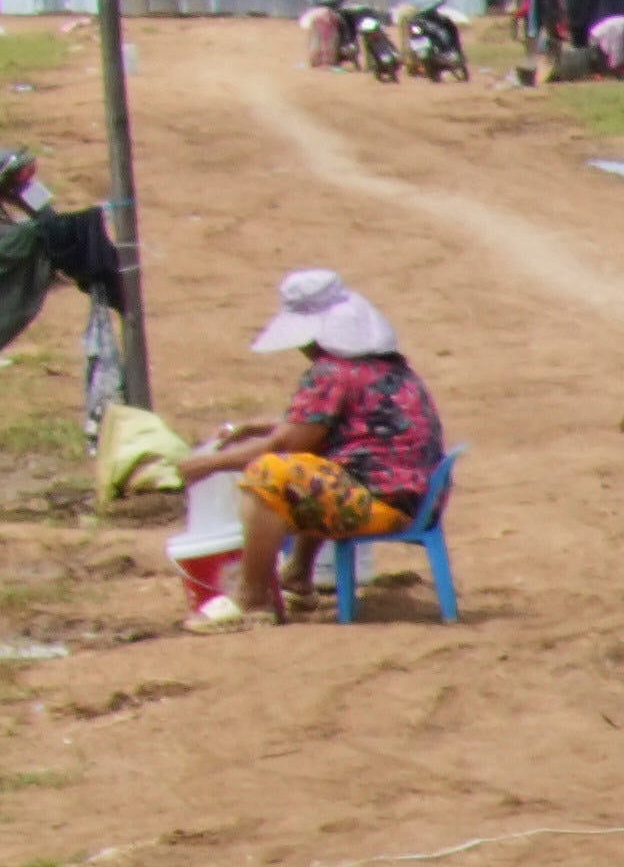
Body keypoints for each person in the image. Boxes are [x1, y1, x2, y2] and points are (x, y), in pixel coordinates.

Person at [180, 266, 441, 631]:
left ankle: (253, 598)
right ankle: (297, 576)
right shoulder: (385, 368)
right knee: (318, 466)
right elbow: (340, 429)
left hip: (379, 501)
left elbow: (285, 444)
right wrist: (262, 427)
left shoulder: (331, 373)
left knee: (270, 474)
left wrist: (206, 465)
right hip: (415, 495)